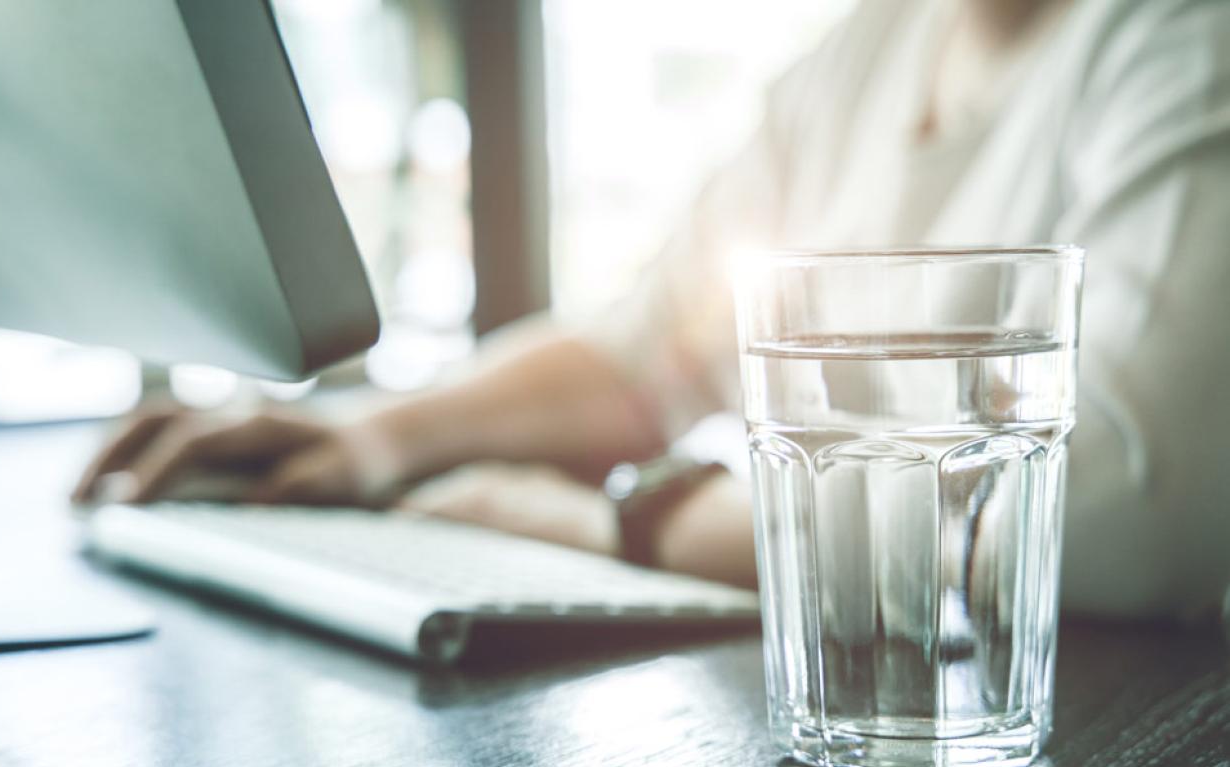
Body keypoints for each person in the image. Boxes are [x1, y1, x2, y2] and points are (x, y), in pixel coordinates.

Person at [74, 0, 1230, 620]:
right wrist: (375, 433)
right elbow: (648, 348)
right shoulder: (877, 44)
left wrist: (622, 529)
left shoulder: (1186, 41)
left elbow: (1122, 508)